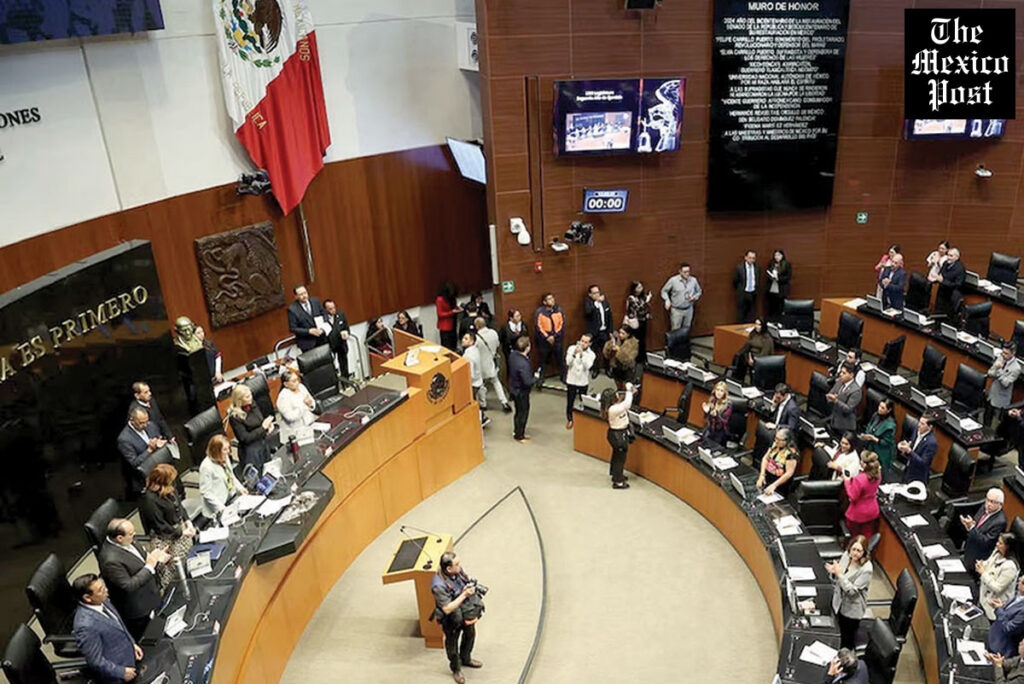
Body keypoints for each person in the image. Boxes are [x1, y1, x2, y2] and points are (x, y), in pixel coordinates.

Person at [98, 518, 169, 639]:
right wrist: (149, 566)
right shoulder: (110, 561)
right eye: (131, 534)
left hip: (151, 593)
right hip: (139, 609)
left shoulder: (128, 540)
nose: (134, 535)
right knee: (149, 638)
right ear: (119, 538)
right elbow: (128, 586)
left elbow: (141, 557)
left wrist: (155, 557)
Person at [72, 574, 145, 684]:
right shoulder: (85, 626)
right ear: (87, 598)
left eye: (104, 586)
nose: (106, 590)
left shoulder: (102, 600)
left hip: (130, 658)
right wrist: (121, 672)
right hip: (118, 674)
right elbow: (95, 661)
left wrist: (132, 643)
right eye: (101, 590)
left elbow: (119, 624)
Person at [138, 464, 195, 590]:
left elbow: (179, 505)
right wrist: (182, 532)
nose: (173, 482)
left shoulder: (169, 487)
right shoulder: (148, 500)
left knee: (189, 557)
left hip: (179, 529)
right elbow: (160, 527)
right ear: (161, 481)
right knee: (173, 568)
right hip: (164, 537)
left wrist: (188, 521)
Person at [431, 552, 482, 683]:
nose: (460, 566)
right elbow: (447, 608)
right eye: (457, 564)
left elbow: (464, 581)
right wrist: (464, 594)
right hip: (451, 619)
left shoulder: (457, 572)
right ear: (448, 569)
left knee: (470, 635)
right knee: (452, 644)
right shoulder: (438, 585)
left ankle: (466, 658)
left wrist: (468, 587)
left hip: (464, 611)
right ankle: (456, 669)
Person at [826, 535, 873, 650]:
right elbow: (838, 578)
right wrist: (833, 572)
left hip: (851, 610)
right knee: (837, 633)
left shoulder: (866, 569)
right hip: (838, 602)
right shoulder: (846, 556)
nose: (855, 553)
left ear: (864, 552)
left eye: (859, 551)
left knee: (846, 641)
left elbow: (852, 592)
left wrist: (839, 574)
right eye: (853, 549)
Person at [227, 384, 273, 475]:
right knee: (257, 476)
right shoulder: (235, 416)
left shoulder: (252, 404)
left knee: (269, 471)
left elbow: (260, 421)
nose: (251, 398)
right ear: (239, 400)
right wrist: (263, 428)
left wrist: (267, 427)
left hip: (262, 442)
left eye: (250, 395)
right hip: (251, 451)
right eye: (247, 397)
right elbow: (245, 438)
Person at [963, 488, 1010, 578]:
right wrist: (969, 525)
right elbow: (976, 526)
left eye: (992, 502)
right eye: (987, 500)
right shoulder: (984, 508)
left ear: (1000, 504)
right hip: (969, 550)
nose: (988, 504)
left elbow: (985, 542)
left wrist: (972, 528)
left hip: (979, 559)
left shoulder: (1000, 522)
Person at [199, 434, 247, 520]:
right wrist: (222, 508)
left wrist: (240, 488)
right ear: (216, 451)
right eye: (225, 449)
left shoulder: (224, 457)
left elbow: (230, 475)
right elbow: (206, 492)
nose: (228, 451)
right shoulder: (206, 467)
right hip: (217, 507)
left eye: (228, 448)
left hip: (230, 499)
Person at [601, 383, 635, 489]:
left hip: (615, 434)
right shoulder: (613, 409)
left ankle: (616, 474)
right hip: (618, 435)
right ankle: (618, 481)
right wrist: (629, 390)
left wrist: (629, 393)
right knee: (620, 458)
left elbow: (623, 403)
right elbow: (627, 404)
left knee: (616, 456)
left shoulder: (610, 408)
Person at [980, 533, 1020, 620]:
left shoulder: (1010, 566)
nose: (997, 544)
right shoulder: (997, 553)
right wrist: (982, 564)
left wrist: (983, 573)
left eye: (1000, 543)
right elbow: (988, 563)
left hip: (995, 608)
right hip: (984, 599)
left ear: (1008, 547)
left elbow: (997, 587)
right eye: (998, 542)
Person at [473, 317, 510, 413]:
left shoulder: (477, 338)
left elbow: (474, 351)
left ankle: (483, 404)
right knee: (496, 382)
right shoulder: (493, 333)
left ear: (477, 326)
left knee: (481, 385)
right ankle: (504, 401)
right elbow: (497, 345)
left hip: (481, 365)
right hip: (492, 362)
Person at [843, 452, 881, 539]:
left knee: (854, 539)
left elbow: (853, 496)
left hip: (858, 513)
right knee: (866, 537)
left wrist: (847, 482)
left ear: (864, 464)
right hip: (872, 511)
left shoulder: (859, 479)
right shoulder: (878, 475)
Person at [117, 407, 166, 472]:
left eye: (146, 421)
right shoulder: (124, 439)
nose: (145, 425)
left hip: (160, 465)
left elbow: (159, 437)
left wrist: (159, 443)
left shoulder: (151, 425)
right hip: (144, 472)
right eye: (141, 423)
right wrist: (149, 450)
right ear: (132, 420)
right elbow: (134, 463)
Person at [508, 337, 538, 443]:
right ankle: (520, 435)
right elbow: (527, 382)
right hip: (521, 392)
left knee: (517, 412)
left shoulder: (513, 355)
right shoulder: (523, 364)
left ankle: (516, 431)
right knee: (523, 413)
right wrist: (536, 378)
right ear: (527, 347)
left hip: (513, 388)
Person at [660, 262, 702, 335]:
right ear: (680, 271)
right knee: (675, 330)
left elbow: (699, 291)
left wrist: (694, 297)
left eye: (688, 271)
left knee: (686, 329)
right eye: (685, 272)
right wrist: (667, 300)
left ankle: (685, 342)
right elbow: (664, 291)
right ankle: (675, 343)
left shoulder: (693, 280)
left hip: (689, 309)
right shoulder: (673, 280)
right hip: (677, 310)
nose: (687, 274)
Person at [564, 333, 595, 429]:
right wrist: (574, 354)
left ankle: (583, 418)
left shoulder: (591, 354)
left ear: (590, 344)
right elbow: (568, 362)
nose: (583, 344)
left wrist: (582, 356)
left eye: (586, 342)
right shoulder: (571, 348)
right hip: (572, 380)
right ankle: (570, 419)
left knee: (583, 401)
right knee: (570, 401)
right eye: (582, 341)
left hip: (582, 381)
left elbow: (587, 366)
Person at [276, 371, 317, 443]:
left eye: (297, 379)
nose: (297, 382)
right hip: (294, 432)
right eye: (294, 381)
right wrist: (304, 405)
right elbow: (290, 417)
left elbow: (312, 402)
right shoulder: (283, 397)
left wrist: (310, 404)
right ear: (286, 384)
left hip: (309, 424)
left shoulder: (301, 387)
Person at [534, 293, 566, 385]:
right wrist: (547, 337)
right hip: (544, 341)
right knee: (543, 360)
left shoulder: (559, 310)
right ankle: (541, 377)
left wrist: (554, 336)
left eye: (552, 298)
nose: (552, 300)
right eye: (549, 299)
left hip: (557, 339)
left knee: (560, 360)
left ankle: (563, 376)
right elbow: (538, 326)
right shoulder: (539, 312)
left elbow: (562, 325)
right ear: (544, 302)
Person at [757, 427, 799, 497]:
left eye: (779, 440)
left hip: (780, 485)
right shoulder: (774, 445)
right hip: (767, 478)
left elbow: (789, 473)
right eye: (776, 438)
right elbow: (765, 459)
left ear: (786, 441)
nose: (776, 441)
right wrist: (762, 475)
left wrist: (774, 485)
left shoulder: (791, 453)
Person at [988, 577, 1024, 657]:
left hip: (1002, 647)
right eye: (1019, 580)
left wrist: (999, 608)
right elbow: (1009, 611)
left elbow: (1008, 628)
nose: (1018, 583)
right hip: (994, 636)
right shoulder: (1019, 595)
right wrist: (1002, 605)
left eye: (1022, 582)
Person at [898, 412, 938, 483]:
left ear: (930, 427)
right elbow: (912, 448)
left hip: (917, 477)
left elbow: (923, 463)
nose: (919, 425)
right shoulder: (916, 431)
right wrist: (905, 447)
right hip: (908, 470)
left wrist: (909, 451)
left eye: (922, 424)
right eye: (919, 422)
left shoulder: (931, 443)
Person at [987, 343, 1022, 425]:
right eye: (1002, 352)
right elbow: (990, 373)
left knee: (996, 423)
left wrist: (999, 370)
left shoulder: (1016, 368)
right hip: (991, 395)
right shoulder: (1000, 358)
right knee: (986, 418)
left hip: (1001, 401)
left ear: (1013, 353)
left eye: (1006, 353)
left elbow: (1006, 383)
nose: (1003, 355)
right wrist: (997, 370)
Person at [858, 398, 897, 469]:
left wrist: (873, 438)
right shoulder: (876, 415)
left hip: (881, 451)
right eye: (879, 406)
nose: (879, 409)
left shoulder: (891, 425)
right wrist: (866, 435)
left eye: (882, 408)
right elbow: (869, 425)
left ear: (889, 410)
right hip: (870, 445)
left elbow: (886, 443)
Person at [287, 284, 327, 351]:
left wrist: (323, 328)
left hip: (322, 338)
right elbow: (293, 328)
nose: (304, 296)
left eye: (305, 293)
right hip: (307, 343)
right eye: (301, 294)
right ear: (296, 296)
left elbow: (325, 314)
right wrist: (309, 331)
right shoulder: (292, 309)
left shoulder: (315, 301)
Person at [584, 284, 613, 369]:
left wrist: (610, 331)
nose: (597, 295)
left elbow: (610, 317)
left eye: (598, 292)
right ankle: (595, 369)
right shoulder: (588, 303)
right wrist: (596, 302)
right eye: (594, 293)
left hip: (604, 332)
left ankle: (607, 368)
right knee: (594, 352)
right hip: (594, 332)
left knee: (606, 351)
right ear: (590, 294)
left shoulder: (605, 303)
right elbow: (588, 312)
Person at [461, 331, 487, 426]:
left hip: (472, 383)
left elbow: (470, 373)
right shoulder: (475, 350)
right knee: (474, 401)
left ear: (472, 342)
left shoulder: (468, 356)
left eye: (466, 339)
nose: (463, 340)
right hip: (478, 381)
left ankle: (480, 419)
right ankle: (481, 417)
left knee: (471, 403)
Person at [827, 363, 862, 433]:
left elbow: (848, 409)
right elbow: (830, 394)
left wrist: (835, 400)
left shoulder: (856, 391)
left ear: (851, 375)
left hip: (845, 425)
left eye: (844, 373)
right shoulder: (840, 382)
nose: (840, 374)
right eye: (841, 372)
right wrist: (830, 398)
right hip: (834, 419)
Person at [932, 246, 965, 315]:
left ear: (957, 257)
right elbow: (941, 274)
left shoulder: (959, 269)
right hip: (943, 289)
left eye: (951, 256)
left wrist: (943, 281)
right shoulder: (946, 263)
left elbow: (958, 285)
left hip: (951, 292)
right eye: (948, 255)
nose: (948, 257)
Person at [322, 299, 350, 379]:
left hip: (341, 344)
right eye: (330, 309)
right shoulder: (322, 318)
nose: (333, 310)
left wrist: (347, 333)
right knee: (331, 366)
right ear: (325, 309)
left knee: (344, 364)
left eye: (334, 307)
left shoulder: (340, 314)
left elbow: (346, 327)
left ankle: (346, 381)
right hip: (330, 345)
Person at [624, 280, 653, 357]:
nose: (641, 289)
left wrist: (647, 314)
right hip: (635, 322)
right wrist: (647, 300)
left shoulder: (642, 297)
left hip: (643, 321)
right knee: (636, 340)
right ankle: (636, 357)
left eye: (641, 287)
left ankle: (642, 357)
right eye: (638, 287)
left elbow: (645, 309)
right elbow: (638, 308)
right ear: (634, 289)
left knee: (643, 340)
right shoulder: (631, 298)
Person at [701, 381, 732, 446]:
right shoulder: (713, 400)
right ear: (714, 390)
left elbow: (724, 423)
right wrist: (706, 412)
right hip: (710, 429)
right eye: (717, 390)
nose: (719, 393)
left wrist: (716, 416)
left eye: (721, 391)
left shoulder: (728, 405)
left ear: (725, 393)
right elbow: (707, 419)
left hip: (720, 433)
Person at [732, 249, 759, 323]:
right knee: (741, 314)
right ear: (746, 258)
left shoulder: (757, 268)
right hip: (743, 293)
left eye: (753, 258)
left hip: (753, 293)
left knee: (751, 314)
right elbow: (735, 281)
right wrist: (739, 290)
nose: (751, 260)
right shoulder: (739, 268)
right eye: (750, 258)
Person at [765, 249, 792, 321]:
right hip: (772, 289)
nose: (777, 257)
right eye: (775, 255)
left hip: (782, 289)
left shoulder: (786, 264)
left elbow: (788, 277)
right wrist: (772, 277)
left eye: (779, 255)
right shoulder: (771, 264)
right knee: (772, 307)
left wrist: (778, 279)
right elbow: (767, 273)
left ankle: (780, 321)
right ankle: (772, 321)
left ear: (782, 256)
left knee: (780, 307)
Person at [436, 281, 463, 351]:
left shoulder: (452, 298)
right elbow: (440, 314)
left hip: (453, 324)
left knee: (454, 344)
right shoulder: (440, 299)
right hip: (445, 326)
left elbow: (453, 307)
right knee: (447, 347)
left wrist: (458, 308)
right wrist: (452, 312)